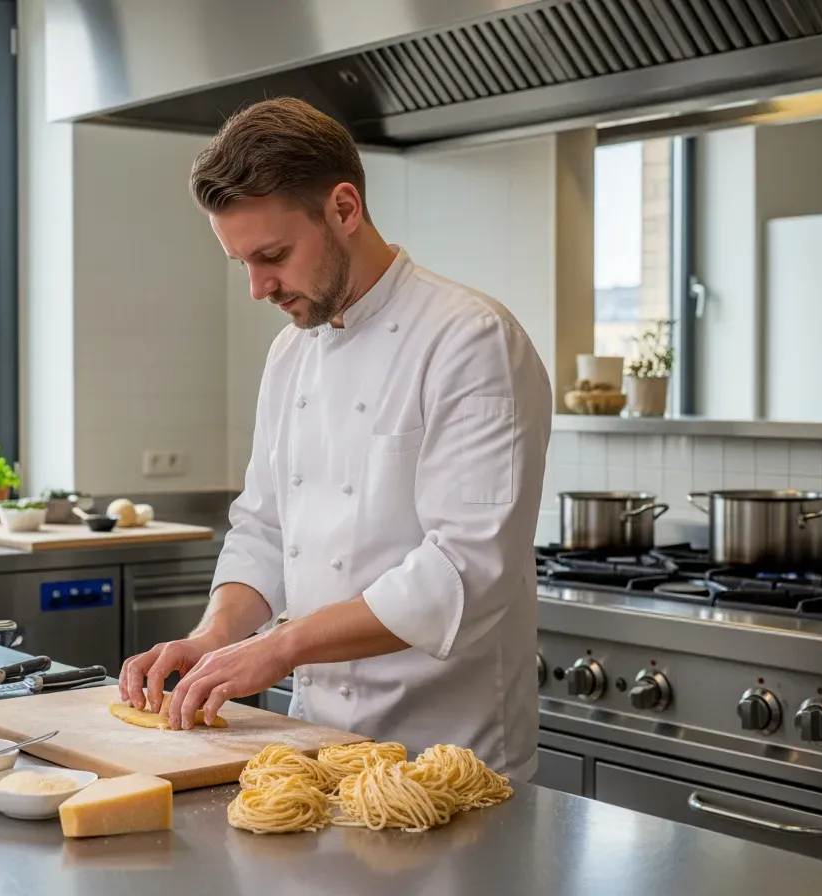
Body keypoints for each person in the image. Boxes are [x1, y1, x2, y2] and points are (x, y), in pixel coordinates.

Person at [117, 97, 551, 779]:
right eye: (244, 265)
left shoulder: (471, 339)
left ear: (344, 209)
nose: (260, 288)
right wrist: (214, 637)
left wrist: (280, 649)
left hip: (447, 761)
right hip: (315, 747)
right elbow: (263, 529)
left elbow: (464, 569)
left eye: (274, 256)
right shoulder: (292, 355)